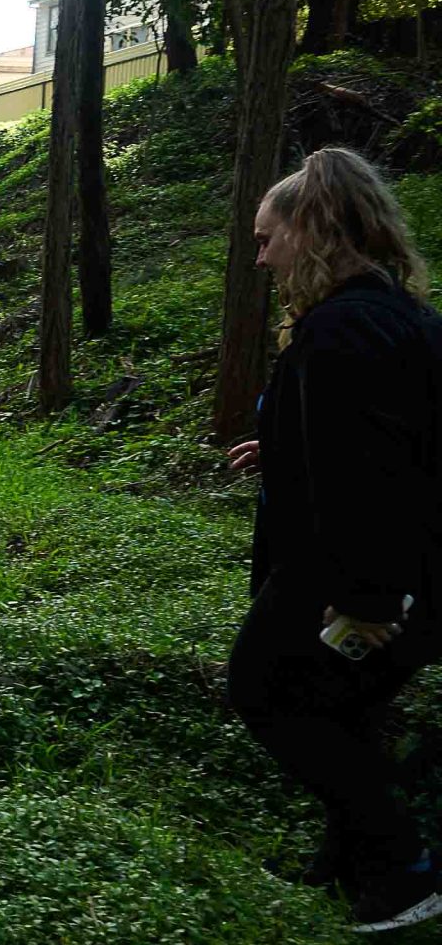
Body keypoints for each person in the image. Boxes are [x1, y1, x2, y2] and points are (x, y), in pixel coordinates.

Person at [226, 147, 442, 933]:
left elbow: (369, 476)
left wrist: (367, 600)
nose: (260, 256)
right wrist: (279, 442)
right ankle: (347, 864)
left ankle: (405, 866)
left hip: (353, 574)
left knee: (265, 693)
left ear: (309, 230)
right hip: (399, 571)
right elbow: (387, 437)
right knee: (338, 708)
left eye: (266, 238)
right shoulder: (398, 315)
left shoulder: (340, 332)